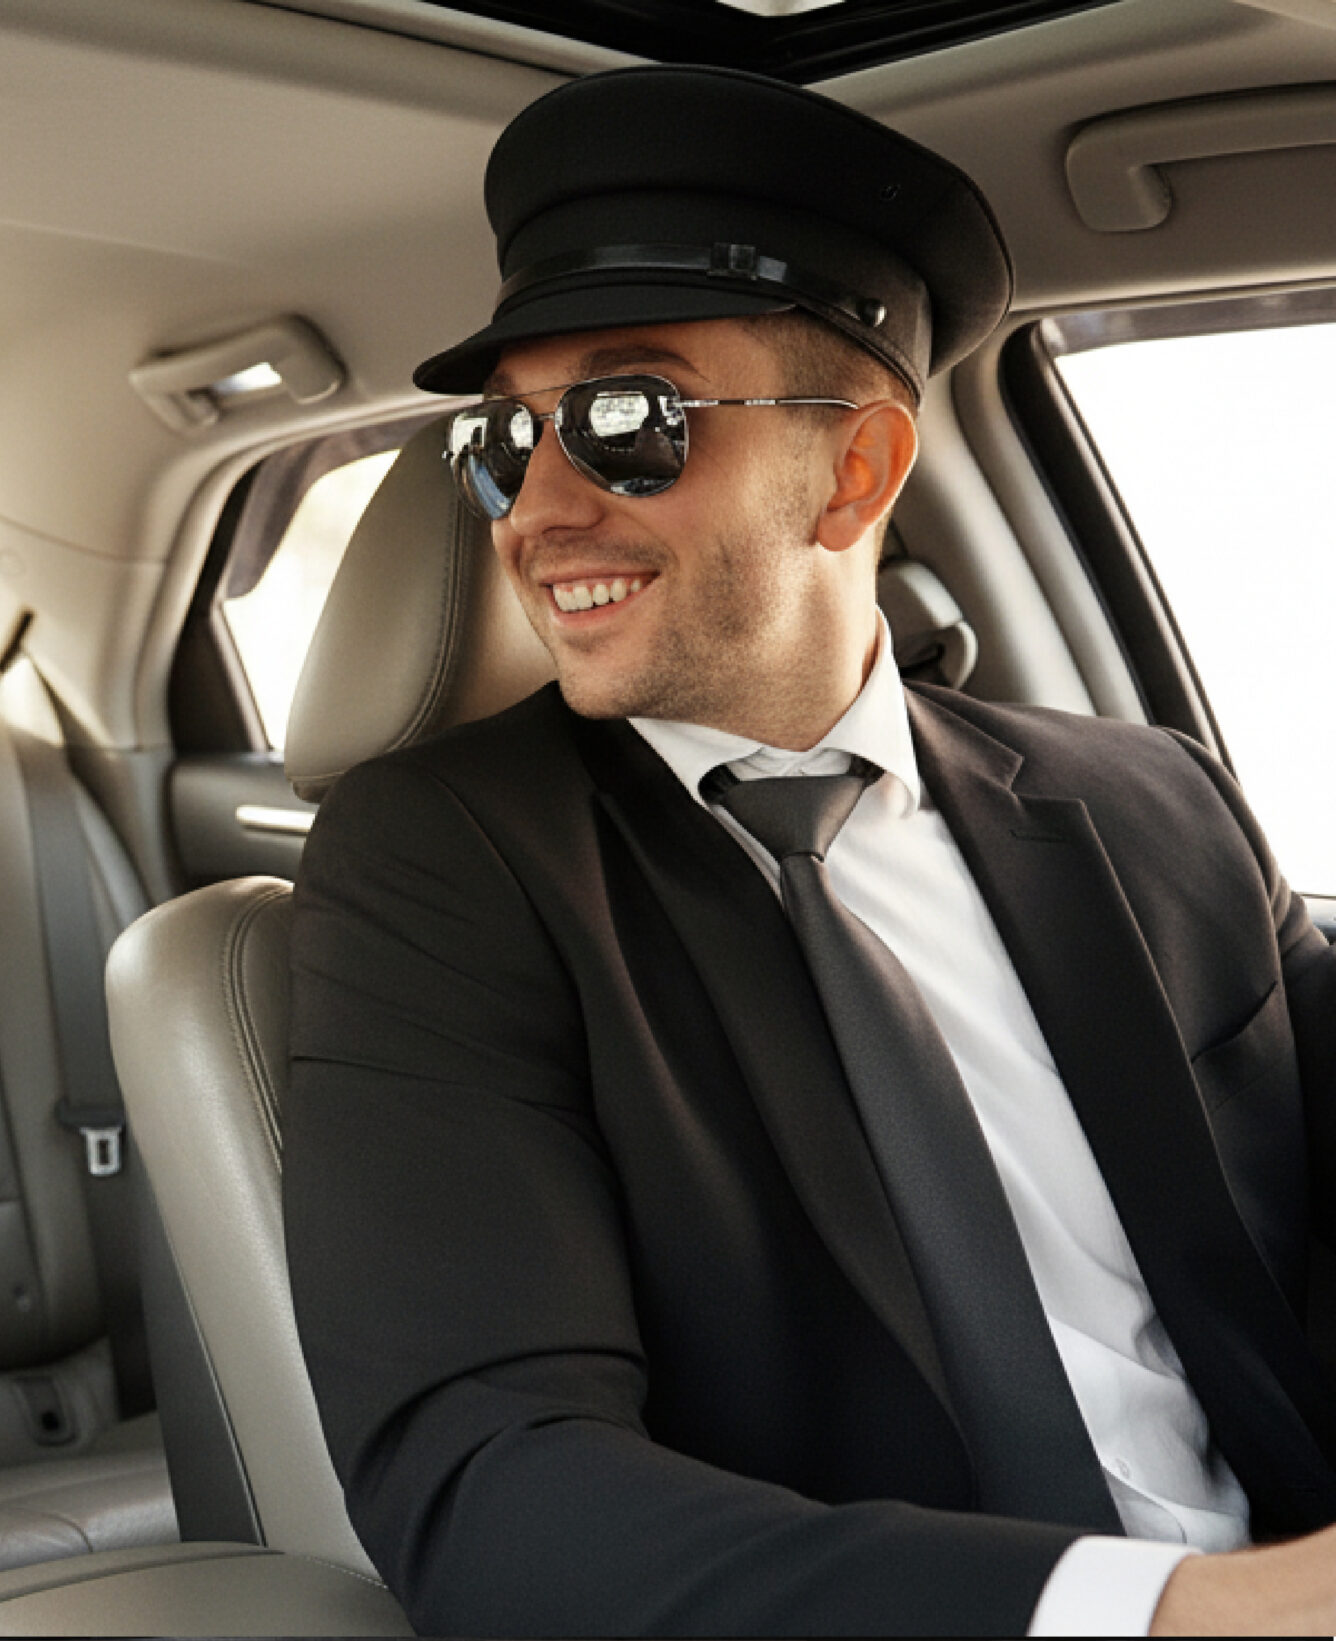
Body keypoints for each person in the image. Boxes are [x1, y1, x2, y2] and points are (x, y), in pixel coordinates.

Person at [284, 65, 1336, 1636]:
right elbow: (489, 1480)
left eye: (627, 424)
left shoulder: (1153, 804)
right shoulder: (443, 868)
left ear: (854, 472)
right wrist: (1189, 1612)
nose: (539, 509)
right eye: (506, 441)